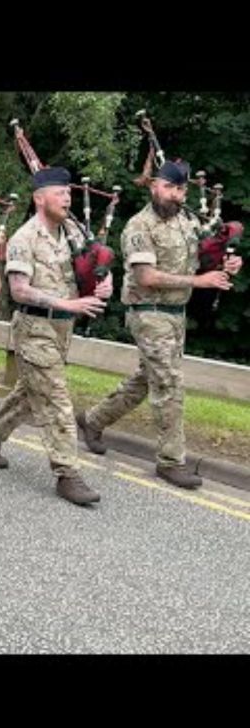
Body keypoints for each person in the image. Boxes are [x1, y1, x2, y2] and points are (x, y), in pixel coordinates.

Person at [77, 160, 243, 488]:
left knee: (146, 379)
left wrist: (228, 263)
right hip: (148, 312)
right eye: (169, 187)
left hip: (176, 314)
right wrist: (201, 281)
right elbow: (146, 277)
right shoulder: (140, 227)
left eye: (181, 189)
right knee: (169, 384)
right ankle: (171, 461)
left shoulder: (189, 222)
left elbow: (209, 255)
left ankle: (92, 420)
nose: (175, 195)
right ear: (154, 186)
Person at [0, 166, 111, 506]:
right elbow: (19, 290)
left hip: (62, 328)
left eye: (69, 192)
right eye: (59, 192)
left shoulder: (74, 233)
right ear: (39, 198)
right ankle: (67, 473)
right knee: (56, 399)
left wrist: (102, 283)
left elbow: (90, 268)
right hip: (34, 328)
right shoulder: (24, 238)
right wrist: (67, 302)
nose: (67, 198)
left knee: (30, 392)